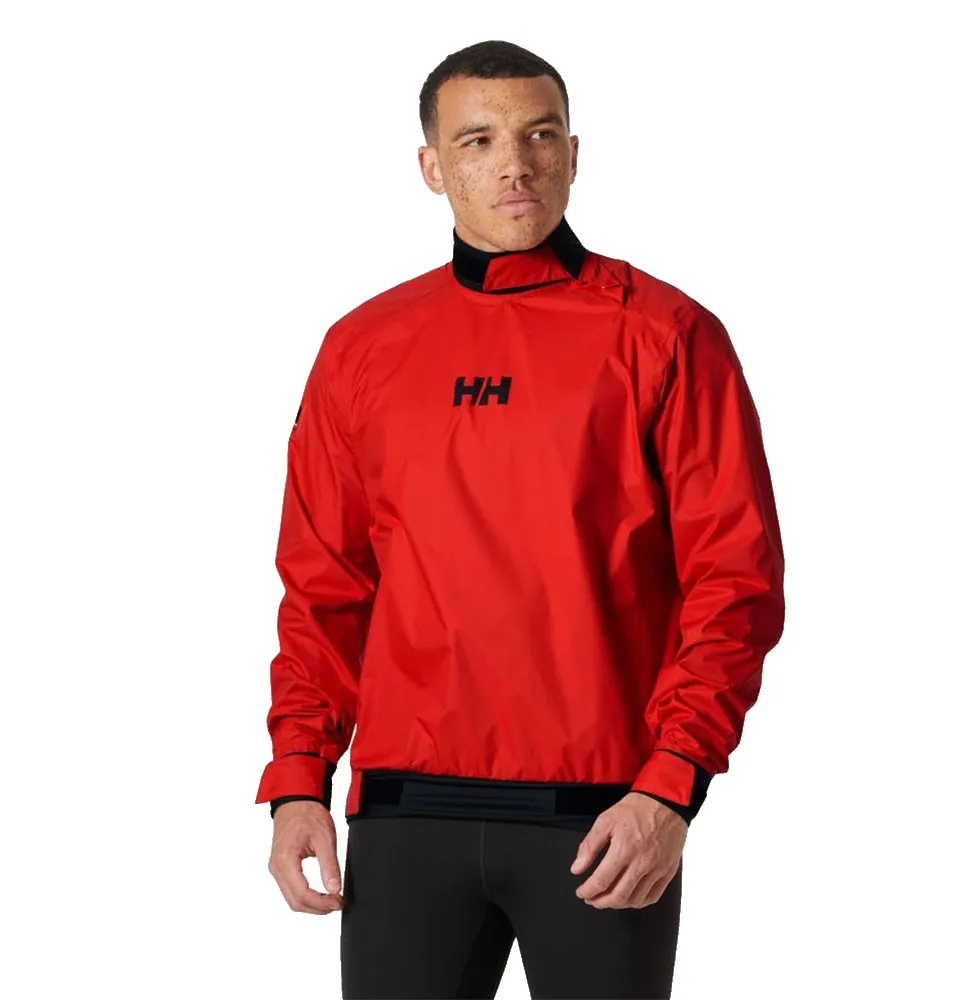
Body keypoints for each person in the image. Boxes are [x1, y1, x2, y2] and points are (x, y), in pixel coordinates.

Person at [255, 38, 785, 999]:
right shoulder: (362, 349)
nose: (515, 163)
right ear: (431, 167)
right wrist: (298, 777)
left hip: (602, 819)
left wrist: (672, 785)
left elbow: (735, 581)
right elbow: (325, 585)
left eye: (540, 135)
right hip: (404, 816)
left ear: (573, 153)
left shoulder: (667, 334)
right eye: (480, 140)